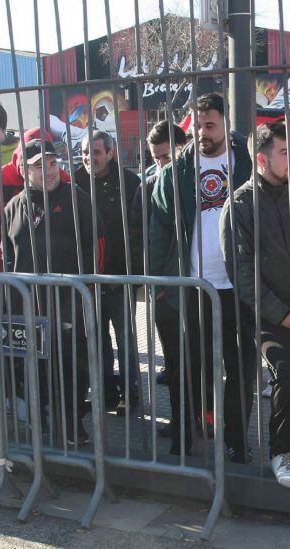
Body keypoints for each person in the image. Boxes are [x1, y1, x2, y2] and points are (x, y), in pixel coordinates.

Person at [148, 92, 257, 460]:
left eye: (211, 124)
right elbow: (159, 230)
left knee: (240, 369)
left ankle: (236, 440)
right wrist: (161, 284)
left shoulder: (248, 163)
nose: (203, 132)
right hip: (192, 286)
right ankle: (185, 434)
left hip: (238, 288)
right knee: (187, 367)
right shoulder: (175, 171)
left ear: (226, 123)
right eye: (198, 125)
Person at [221, 121, 290, 487]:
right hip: (267, 317)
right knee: (289, 373)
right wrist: (280, 314)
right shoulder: (240, 204)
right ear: (262, 160)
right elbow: (242, 272)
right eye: (286, 152)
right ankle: (281, 453)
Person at [4, 138, 104, 443]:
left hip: (69, 303)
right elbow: (7, 255)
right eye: (38, 165)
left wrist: (85, 285)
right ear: (23, 169)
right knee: (34, 368)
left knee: (74, 366)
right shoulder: (13, 206)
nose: (48, 170)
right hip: (28, 307)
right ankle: (42, 419)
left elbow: (97, 245)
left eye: (52, 163)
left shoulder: (77, 198)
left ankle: (72, 421)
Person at [74, 130, 143, 414]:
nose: (90, 158)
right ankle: (105, 391)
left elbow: (140, 228)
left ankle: (131, 392)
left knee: (125, 339)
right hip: (87, 279)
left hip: (121, 275)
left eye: (96, 152)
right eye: (86, 152)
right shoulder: (74, 182)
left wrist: (135, 270)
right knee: (97, 339)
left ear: (111, 153)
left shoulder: (129, 182)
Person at [0, 127, 71, 272]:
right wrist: (2, 271)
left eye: (48, 160)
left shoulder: (61, 177)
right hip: (14, 274)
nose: (46, 170)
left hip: (60, 275)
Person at [144, 121, 188, 387]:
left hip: (189, 277)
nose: (161, 162)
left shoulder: (193, 183)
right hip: (161, 281)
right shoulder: (148, 185)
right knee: (170, 341)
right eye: (155, 157)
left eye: (166, 156)